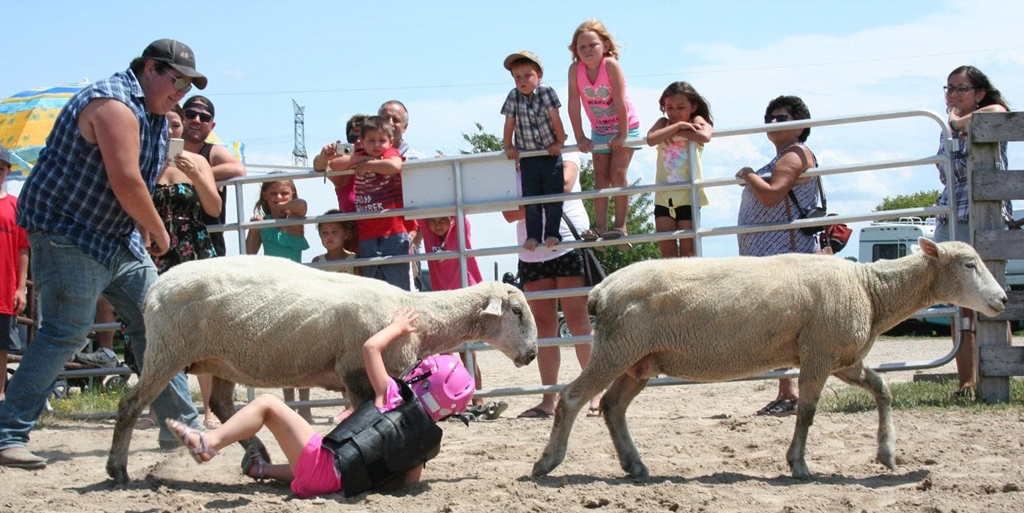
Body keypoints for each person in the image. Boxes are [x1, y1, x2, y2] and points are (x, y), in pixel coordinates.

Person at [0, 39, 207, 469]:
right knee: (66, 332)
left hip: (114, 236)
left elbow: (131, 185)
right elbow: (127, 181)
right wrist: (157, 229)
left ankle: (182, 427)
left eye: (188, 85)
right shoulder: (112, 103)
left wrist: (138, 225)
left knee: (160, 324)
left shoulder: (150, 114)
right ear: (150, 68)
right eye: (177, 80)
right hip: (67, 231)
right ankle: (7, 434)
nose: (181, 92)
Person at [164, 307, 474, 498]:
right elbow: (406, 484)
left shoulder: (392, 395)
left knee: (269, 406)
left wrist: (396, 327)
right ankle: (263, 470)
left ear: (423, 379)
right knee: (320, 459)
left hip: (322, 470)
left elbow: (370, 349)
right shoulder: (426, 446)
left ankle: (209, 443)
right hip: (338, 486)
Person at [735, 95, 819, 417]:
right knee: (783, 325)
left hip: (782, 252)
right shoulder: (789, 154)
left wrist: (747, 175)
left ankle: (789, 392)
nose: (773, 123)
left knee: (783, 324)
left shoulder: (794, 154)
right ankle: (789, 391)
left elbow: (772, 195)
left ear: (800, 125)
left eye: (782, 118)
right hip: (774, 250)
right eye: (770, 117)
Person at [502, 153, 601, 418]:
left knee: (578, 322)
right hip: (531, 252)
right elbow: (508, 212)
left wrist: (531, 204)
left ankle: (596, 395)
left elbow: (566, 184)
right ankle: (549, 399)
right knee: (544, 328)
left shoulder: (564, 151)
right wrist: (545, 200)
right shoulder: (513, 162)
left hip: (566, 243)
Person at [936, 65, 1012, 400]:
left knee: (991, 298)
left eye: (960, 88)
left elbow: (998, 111)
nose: (952, 95)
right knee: (960, 305)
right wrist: (953, 127)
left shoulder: (989, 114)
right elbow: (947, 175)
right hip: (954, 216)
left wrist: (956, 124)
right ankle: (966, 381)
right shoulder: (945, 129)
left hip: (986, 217)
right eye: (949, 88)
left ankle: (998, 374)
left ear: (979, 92)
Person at [150, 103, 223, 429]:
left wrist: (196, 176)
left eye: (175, 125)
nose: (170, 131)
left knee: (203, 329)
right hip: (155, 249)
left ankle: (209, 408)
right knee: (158, 331)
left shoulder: (198, 160)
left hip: (192, 246)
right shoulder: (144, 160)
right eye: (163, 125)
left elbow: (214, 207)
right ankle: (160, 407)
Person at [567, 19, 640, 244]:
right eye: (582, 47)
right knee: (600, 177)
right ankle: (599, 228)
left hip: (625, 125)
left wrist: (623, 134)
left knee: (617, 173)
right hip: (599, 128)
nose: (588, 50)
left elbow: (619, 100)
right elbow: (573, 103)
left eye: (593, 45)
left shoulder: (610, 65)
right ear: (575, 51)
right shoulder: (575, 70)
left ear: (605, 45)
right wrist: (579, 136)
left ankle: (620, 226)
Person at [246, 175, 311, 420]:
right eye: (273, 194)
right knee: (285, 349)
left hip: (298, 286)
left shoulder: (296, 217)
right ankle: (290, 403)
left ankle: (305, 404)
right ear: (264, 196)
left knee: (304, 348)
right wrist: (256, 227)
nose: (279, 198)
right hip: (275, 288)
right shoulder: (263, 223)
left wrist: (280, 209)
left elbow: (301, 205)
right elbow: (250, 253)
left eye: (284, 193)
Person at [326, 116, 412, 290]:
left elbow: (395, 166)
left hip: (393, 231)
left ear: (391, 141)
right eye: (371, 140)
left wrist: (370, 166)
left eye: (382, 140)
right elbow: (334, 164)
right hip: (367, 234)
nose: (376, 145)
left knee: (398, 285)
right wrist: (362, 161)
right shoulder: (359, 156)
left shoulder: (389, 154)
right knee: (372, 286)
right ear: (362, 142)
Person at [501, 50, 567, 251]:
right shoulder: (513, 96)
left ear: (539, 75)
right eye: (517, 77)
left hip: (549, 153)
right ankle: (533, 235)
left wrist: (559, 140)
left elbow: (555, 117)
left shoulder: (546, 91)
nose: (522, 81)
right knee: (531, 200)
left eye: (527, 75)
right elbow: (509, 121)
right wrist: (508, 145)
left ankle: (553, 233)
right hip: (528, 156)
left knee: (553, 197)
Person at [645, 82, 712, 259]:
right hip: (663, 196)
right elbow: (651, 139)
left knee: (689, 252)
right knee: (667, 254)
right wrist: (677, 127)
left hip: (688, 195)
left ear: (693, 106)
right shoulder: (663, 123)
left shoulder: (697, 121)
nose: (674, 112)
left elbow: (705, 135)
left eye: (681, 107)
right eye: (669, 107)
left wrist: (674, 132)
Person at [180, 95, 247, 258]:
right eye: (190, 114)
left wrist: (196, 175)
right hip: (170, 238)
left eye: (204, 117)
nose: (196, 120)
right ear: (181, 118)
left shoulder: (213, 151)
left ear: (212, 125)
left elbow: (239, 169)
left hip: (208, 241)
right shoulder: (166, 148)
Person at [0, 145, 28, 405]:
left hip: (4, 288)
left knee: (2, 348)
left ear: (8, 171)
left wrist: (21, 288)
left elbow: (23, 249)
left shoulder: (15, 206)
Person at [313, 113, 368, 216]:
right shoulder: (343, 171)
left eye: (365, 137)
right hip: (351, 230)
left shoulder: (386, 162)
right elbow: (318, 165)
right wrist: (325, 155)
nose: (359, 141)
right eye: (354, 137)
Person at [312, 209, 357, 274]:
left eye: (334, 232)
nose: (329, 236)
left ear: (346, 234)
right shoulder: (317, 261)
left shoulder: (355, 259)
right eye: (325, 232)